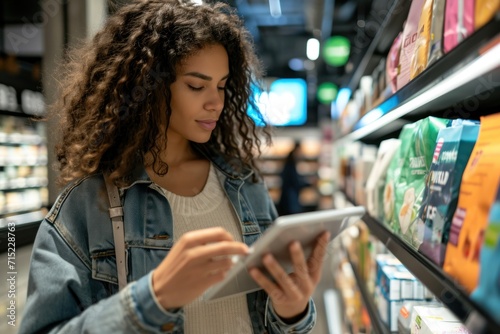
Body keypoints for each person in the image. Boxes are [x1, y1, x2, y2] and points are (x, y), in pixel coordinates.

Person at [19, 1, 331, 333]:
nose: (216, 102)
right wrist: (152, 298)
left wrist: (291, 312)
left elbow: (269, 317)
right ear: (148, 87)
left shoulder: (244, 183)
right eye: (196, 86)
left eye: (222, 86)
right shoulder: (88, 204)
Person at [277, 142, 312, 216]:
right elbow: (296, 183)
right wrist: (309, 183)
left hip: (287, 200)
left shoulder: (288, 164)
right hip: (290, 202)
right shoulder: (290, 166)